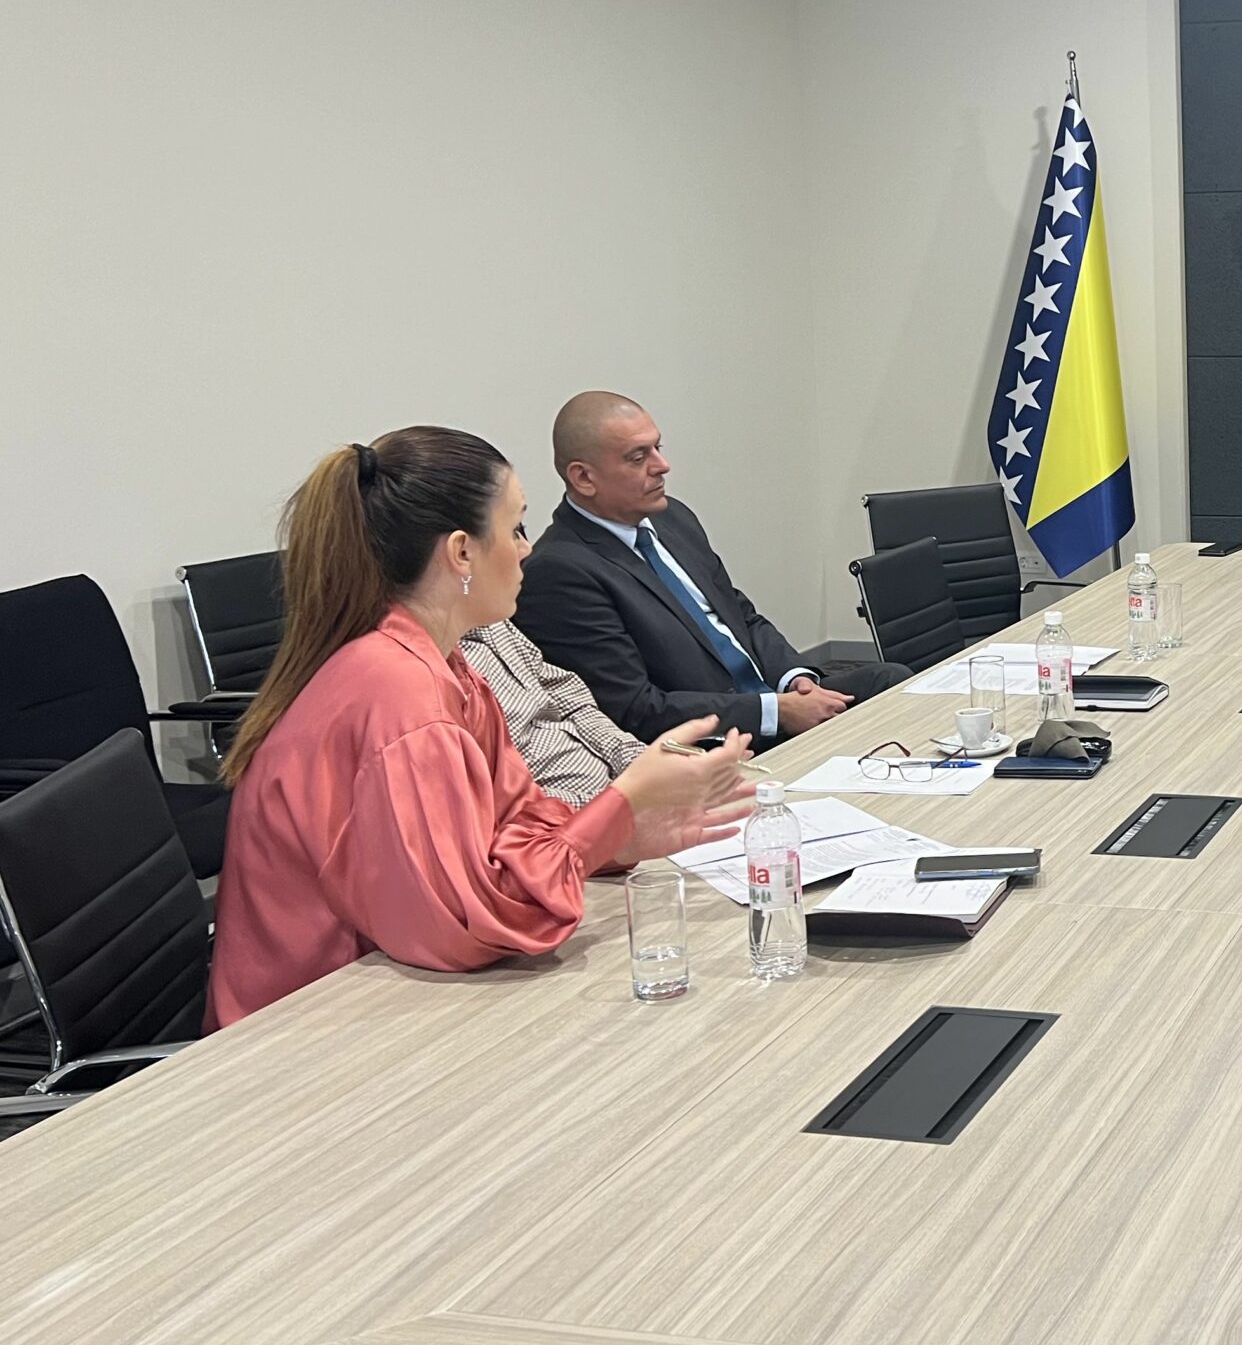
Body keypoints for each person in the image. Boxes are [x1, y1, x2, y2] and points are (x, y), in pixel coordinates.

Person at [210, 427, 754, 1029]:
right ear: (461, 553)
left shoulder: (444, 663)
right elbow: (472, 924)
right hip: (306, 1026)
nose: (527, 549)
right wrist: (622, 802)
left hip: (383, 988)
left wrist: (621, 835)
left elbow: (516, 825)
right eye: (516, 527)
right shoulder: (399, 692)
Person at [514, 393, 907, 746]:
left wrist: (795, 680)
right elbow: (634, 709)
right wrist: (776, 713)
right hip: (714, 737)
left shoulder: (672, 519)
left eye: (657, 448)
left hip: (770, 699)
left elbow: (741, 616)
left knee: (890, 680)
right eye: (638, 458)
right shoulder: (560, 571)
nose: (662, 466)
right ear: (584, 477)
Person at [460, 618, 645, 809]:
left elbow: (574, 704)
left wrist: (635, 761)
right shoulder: (448, 681)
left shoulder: (491, 621)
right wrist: (618, 803)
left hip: (617, 788)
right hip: (572, 816)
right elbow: (503, 803)